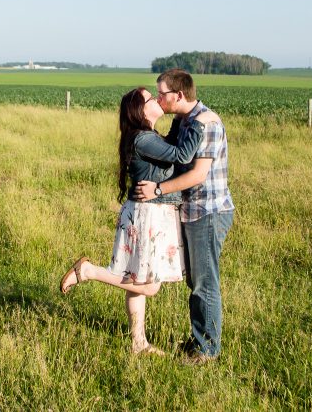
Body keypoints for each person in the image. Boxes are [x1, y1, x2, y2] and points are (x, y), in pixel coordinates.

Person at [60, 86, 216, 355]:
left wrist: (180, 120)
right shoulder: (142, 138)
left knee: (138, 280)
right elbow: (181, 155)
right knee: (150, 284)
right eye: (149, 98)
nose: (156, 99)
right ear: (139, 110)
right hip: (147, 214)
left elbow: (171, 148)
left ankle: (138, 342)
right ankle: (88, 271)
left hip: (149, 211)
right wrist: (200, 123)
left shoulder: (148, 136)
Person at [132, 69, 234, 364]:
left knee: (205, 282)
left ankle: (207, 351)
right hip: (191, 210)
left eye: (161, 93)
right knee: (196, 280)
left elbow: (197, 174)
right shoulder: (182, 120)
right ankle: (199, 339)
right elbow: (171, 153)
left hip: (208, 211)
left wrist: (158, 189)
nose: (158, 97)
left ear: (178, 95)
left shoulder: (208, 123)